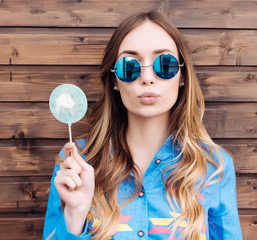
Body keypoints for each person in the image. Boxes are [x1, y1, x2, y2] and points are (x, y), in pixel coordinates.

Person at [43, 11, 243, 240]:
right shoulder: (78, 162)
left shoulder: (214, 167)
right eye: (130, 66)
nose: (147, 78)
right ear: (115, 80)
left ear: (183, 76)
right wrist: (74, 218)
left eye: (164, 64)